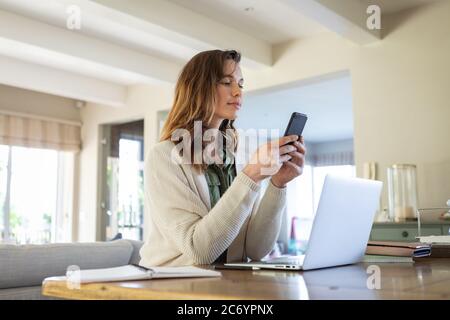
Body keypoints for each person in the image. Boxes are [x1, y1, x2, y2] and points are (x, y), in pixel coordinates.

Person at [139, 49, 306, 267]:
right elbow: (200, 251)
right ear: (198, 89)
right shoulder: (163, 157)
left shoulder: (236, 156)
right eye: (227, 82)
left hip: (224, 282)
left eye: (241, 84)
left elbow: (256, 250)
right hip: (170, 285)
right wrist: (251, 176)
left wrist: (278, 184)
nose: (238, 92)